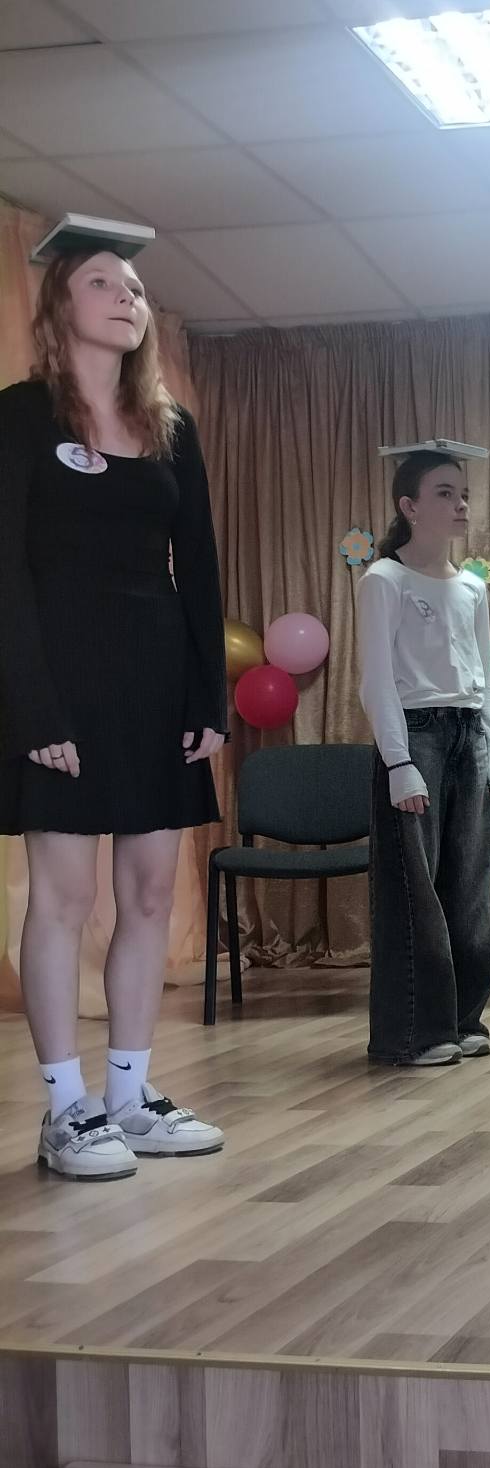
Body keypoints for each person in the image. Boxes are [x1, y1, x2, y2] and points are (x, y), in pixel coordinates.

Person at [0, 233, 227, 1180]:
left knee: (147, 895)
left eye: (134, 287)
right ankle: (66, 1111)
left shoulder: (172, 427)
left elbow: (200, 570)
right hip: (60, 686)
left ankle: (129, 1097)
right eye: (103, 282)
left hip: (156, 684)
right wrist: (32, 710)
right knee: (62, 899)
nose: (127, 297)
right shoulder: (19, 416)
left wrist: (208, 693)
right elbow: (6, 573)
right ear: (61, 305)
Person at [356, 446, 490, 1067]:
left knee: (468, 886)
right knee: (413, 890)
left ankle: (464, 1017)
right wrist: (399, 762)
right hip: (415, 736)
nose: (461, 504)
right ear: (410, 506)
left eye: (463, 493)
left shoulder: (472, 587)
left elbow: (486, 677)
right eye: (445, 493)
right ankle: (415, 1032)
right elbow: (376, 681)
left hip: (468, 735)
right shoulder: (383, 580)